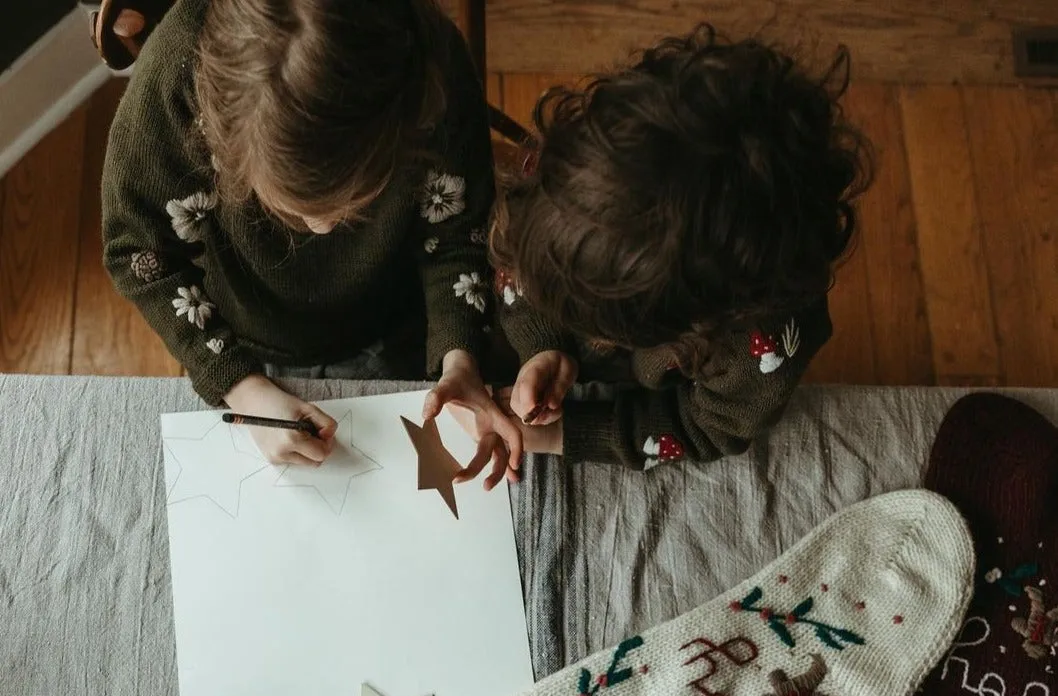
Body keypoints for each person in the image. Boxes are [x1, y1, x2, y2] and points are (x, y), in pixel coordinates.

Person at [102, 0, 519, 485]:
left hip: (404, 317)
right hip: (242, 335)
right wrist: (240, 384)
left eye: (352, 202)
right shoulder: (177, 75)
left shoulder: (430, 69)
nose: (322, 229)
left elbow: (457, 233)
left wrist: (460, 357)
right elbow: (138, 250)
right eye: (292, 210)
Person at [486, 26, 873, 470]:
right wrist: (542, 343)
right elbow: (518, 260)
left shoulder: (761, 348)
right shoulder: (564, 180)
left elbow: (706, 427)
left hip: (659, 395)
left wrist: (565, 434)